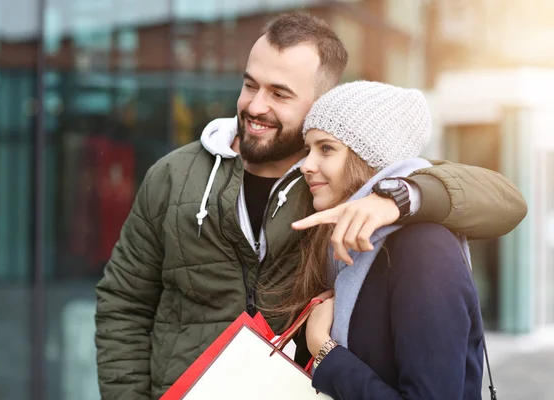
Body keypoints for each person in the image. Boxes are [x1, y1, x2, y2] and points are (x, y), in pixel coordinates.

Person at [94, 13, 526, 399]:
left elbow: (505, 201)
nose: (255, 105)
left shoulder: (339, 179)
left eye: (279, 93)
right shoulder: (172, 176)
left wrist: (396, 198)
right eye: (249, 85)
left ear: (319, 103)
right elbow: (123, 305)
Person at [294, 81, 484, 399]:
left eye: (326, 148)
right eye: (308, 149)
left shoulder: (424, 249)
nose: (306, 165)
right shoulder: (346, 248)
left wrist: (326, 352)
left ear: (370, 159)